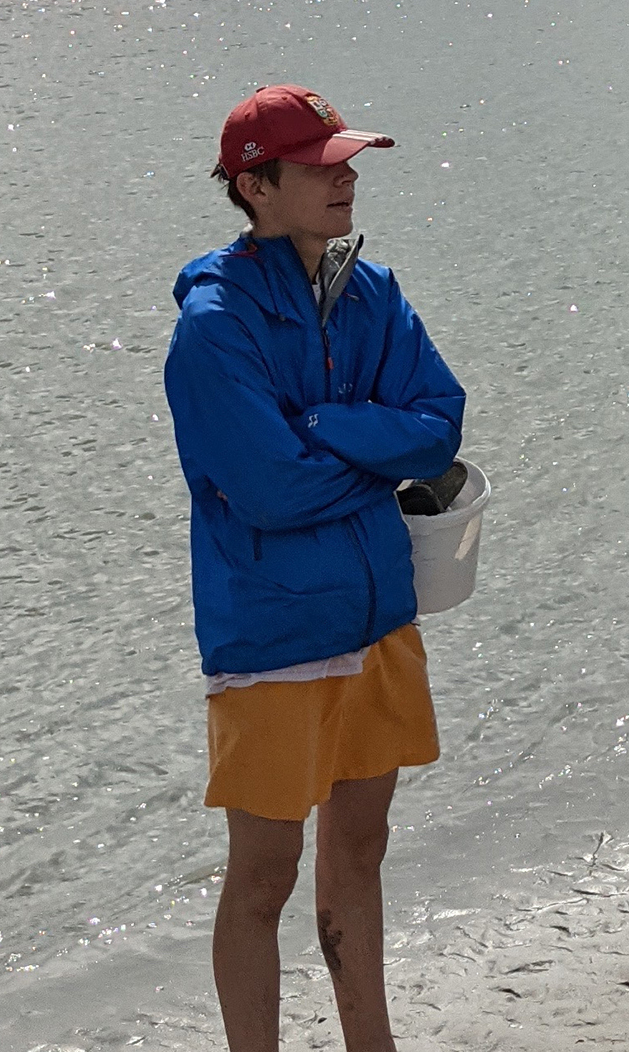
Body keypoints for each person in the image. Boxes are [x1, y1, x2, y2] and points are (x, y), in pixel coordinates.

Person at [163, 85, 466, 1052]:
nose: (347, 177)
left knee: (364, 850)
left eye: (348, 159)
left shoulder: (371, 291)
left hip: (379, 615)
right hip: (272, 635)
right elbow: (268, 494)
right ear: (256, 187)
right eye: (322, 164)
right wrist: (372, 464)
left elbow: (440, 427)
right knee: (263, 876)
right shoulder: (213, 324)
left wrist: (326, 431)